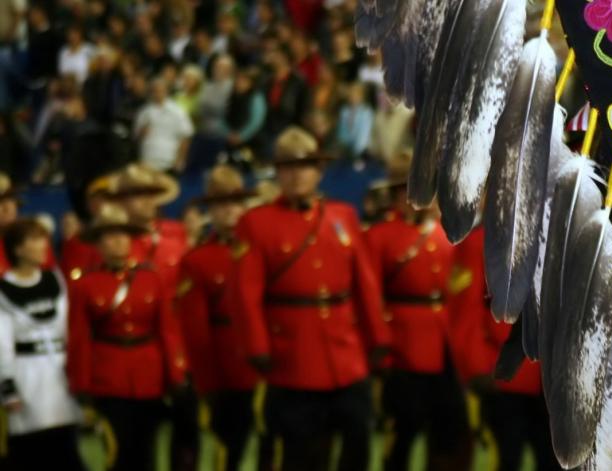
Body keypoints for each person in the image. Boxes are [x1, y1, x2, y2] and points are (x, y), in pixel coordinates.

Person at [234, 126, 390, 471]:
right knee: (302, 453)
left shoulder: (342, 215)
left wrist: (377, 336)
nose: (296, 174)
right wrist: (258, 348)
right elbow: (246, 294)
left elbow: (363, 282)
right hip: (292, 356)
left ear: (319, 171)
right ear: (277, 172)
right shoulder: (256, 223)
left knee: (357, 445)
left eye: (305, 166)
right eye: (288, 166)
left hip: (346, 354)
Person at [362, 163, 470, 471]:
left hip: (445, 347)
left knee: (449, 431)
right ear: (399, 196)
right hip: (402, 347)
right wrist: (380, 344)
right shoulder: (380, 236)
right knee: (403, 430)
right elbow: (370, 294)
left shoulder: (449, 234)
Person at [66, 204, 188, 471]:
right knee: (117, 450)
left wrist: (176, 373)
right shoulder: (86, 285)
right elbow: (79, 337)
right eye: (109, 236)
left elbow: (166, 330)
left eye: (123, 235)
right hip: (109, 375)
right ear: (98, 244)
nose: (118, 241)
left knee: (148, 449)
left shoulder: (150, 278)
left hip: (148, 374)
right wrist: (82, 385)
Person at [177, 165, 271, 471]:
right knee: (229, 450)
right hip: (228, 370)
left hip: (271, 365)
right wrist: (208, 384)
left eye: (236, 202)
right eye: (221, 204)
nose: (230, 211)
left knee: (274, 447)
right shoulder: (198, 260)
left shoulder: (263, 249)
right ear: (210, 210)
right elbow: (196, 333)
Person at [450, 226, 556, 471]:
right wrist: (477, 367)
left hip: (550, 379)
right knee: (506, 459)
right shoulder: (482, 241)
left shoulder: (560, 236)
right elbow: (465, 311)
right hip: (503, 376)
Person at [0, 219, 83, 470]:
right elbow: (2, 344)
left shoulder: (55, 280)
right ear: (17, 248)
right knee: (31, 452)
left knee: (66, 448)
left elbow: (69, 329)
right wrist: (8, 387)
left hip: (60, 375)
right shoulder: (4, 289)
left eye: (44, 239)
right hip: (27, 378)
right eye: (34, 240)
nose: (43, 245)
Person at [133, 79, 194, 173]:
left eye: (160, 91)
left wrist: (180, 160)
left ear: (166, 92)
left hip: (168, 163)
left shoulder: (177, 112)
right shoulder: (144, 112)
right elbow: (136, 138)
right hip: (146, 162)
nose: (157, 94)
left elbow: (186, 137)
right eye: (155, 91)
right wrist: (142, 133)